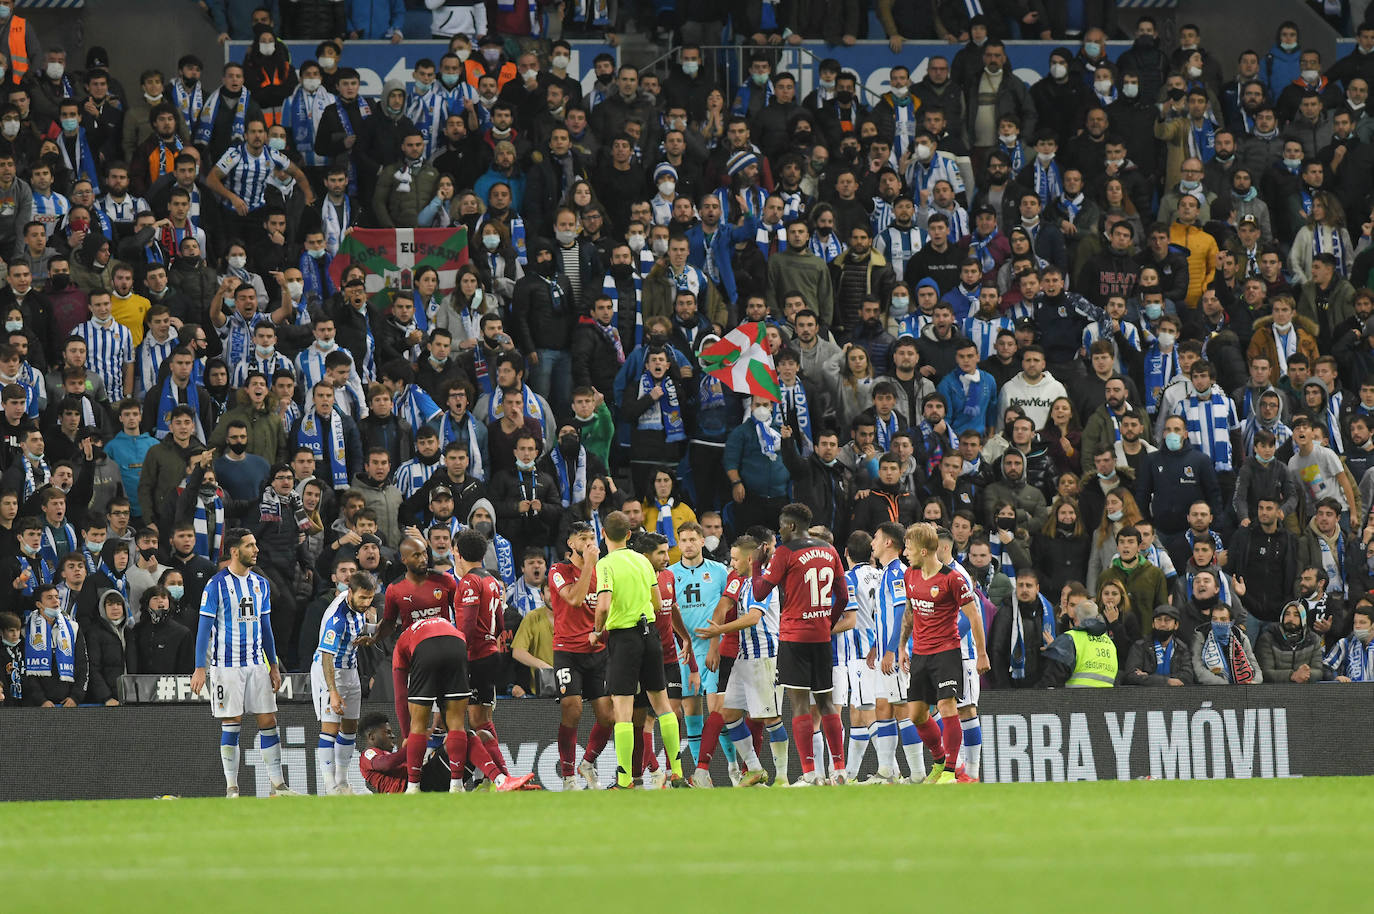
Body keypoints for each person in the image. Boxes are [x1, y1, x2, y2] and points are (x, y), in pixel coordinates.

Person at [189, 528, 296, 797]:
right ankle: (232, 788)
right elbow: (203, 629)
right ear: (235, 551)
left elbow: (266, 627)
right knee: (232, 721)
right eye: (250, 545)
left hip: (257, 664)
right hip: (227, 666)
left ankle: (278, 786)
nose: (256, 549)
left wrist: (273, 665)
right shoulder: (216, 585)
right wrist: (200, 668)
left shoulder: (261, 584)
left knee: (268, 719)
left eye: (255, 544)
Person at [751, 502, 851, 785]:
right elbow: (843, 597)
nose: (780, 531)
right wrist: (827, 623)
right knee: (827, 703)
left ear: (792, 525)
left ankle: (809, 773)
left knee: (799, 706)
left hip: (794, 638)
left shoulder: (785, 552)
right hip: (821, 638)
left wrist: (757, 565)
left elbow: (759, 593)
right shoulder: (830, 550)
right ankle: (839, 769)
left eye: (782, 526)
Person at [591, 510, 688, 789]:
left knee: (623, 709)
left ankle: (624, 779)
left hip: (624, 638)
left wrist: (597, 631)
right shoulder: (643, 561)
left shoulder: (605, 564)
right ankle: (677, 772)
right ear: (629, 534)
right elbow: (657, 603)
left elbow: (604, 606)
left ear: (603, 534)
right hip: (651, 636)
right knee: (662, 704)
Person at [898, 521, 987, 784]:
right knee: (916, 714)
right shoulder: (910, 575)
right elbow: (910, 612)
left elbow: (974, 616)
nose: (905, 553)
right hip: (920, 654)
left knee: (948, 707)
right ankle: (939, 761)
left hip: (947, 652)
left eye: (909, 548)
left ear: (924, 551)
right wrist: (902, 646)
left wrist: (982, 654)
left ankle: (950, 770)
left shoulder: (952, 578)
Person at [549, 521, 616, 790]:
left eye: (591, 537)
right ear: (571, 544)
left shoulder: (604, 572)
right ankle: (568, 777)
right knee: (572, 708)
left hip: (597, 651)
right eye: (582, 538)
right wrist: (588, 565)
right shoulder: (558, 570)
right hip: (567, 651)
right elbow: (575, 599)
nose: (589, 543)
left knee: (608, 716)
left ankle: (587, 763)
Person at [309, 571, 375, 796]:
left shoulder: (357, 608)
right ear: (350, 593)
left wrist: (374, 631)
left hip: (350, 669)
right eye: (362, 598)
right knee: (330, 728)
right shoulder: (337, 619)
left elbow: (358, 627)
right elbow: (327, 655)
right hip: (330, 671)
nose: (366, 603)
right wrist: (333, 692)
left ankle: (343, 782)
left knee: (350, 727)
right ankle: (330, 785)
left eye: (370, 598)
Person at [1040, 599, 1118, 688]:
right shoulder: (1109, 643)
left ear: (1076, 619)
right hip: (1108, 696)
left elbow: (1052, 678)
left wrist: (1054, 649)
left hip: (1075, 695)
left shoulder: (1070, 639)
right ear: (1097, 617)